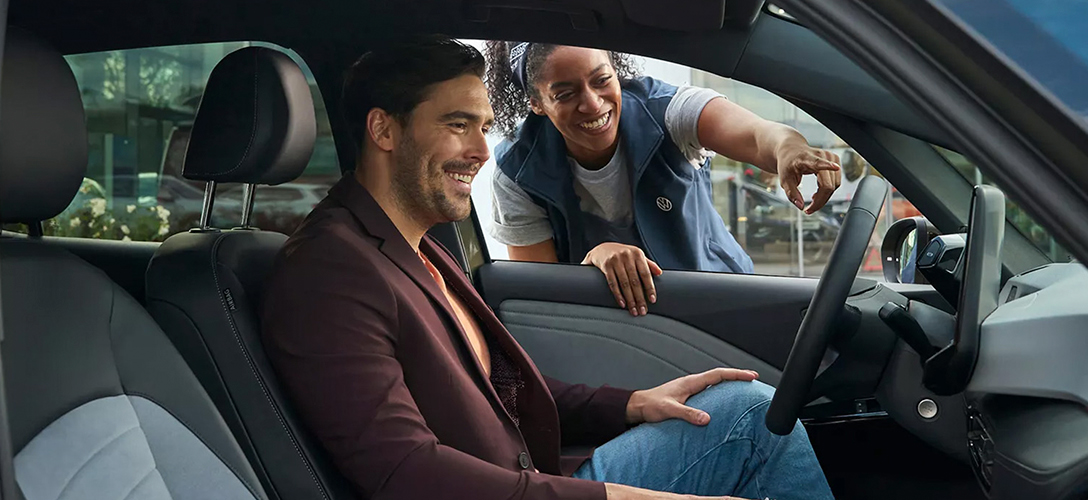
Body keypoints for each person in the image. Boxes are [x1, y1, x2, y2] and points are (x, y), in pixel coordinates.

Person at [260, 38, 834, 500]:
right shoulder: (329, 272)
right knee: (749, 418)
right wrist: (621, 496)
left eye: (484, 127)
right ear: (383, 130)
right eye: (458, 124)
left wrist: (632, 403)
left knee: (743, 404)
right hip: (519, 487)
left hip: (535, 472)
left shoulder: (416, 248)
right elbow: (405, 474)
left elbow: (500, 389)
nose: (482, 151)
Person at [485, 41, 842, 316]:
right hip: (620, 334)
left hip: (723, 307)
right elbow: (541, 304)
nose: (592, 104)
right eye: (565, 94)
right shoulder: (516, 172)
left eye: (602, 80)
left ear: (616, 72)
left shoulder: (669, 112)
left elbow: (757, 135)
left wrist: (788, 147)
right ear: (536, 103)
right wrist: (592, 262)